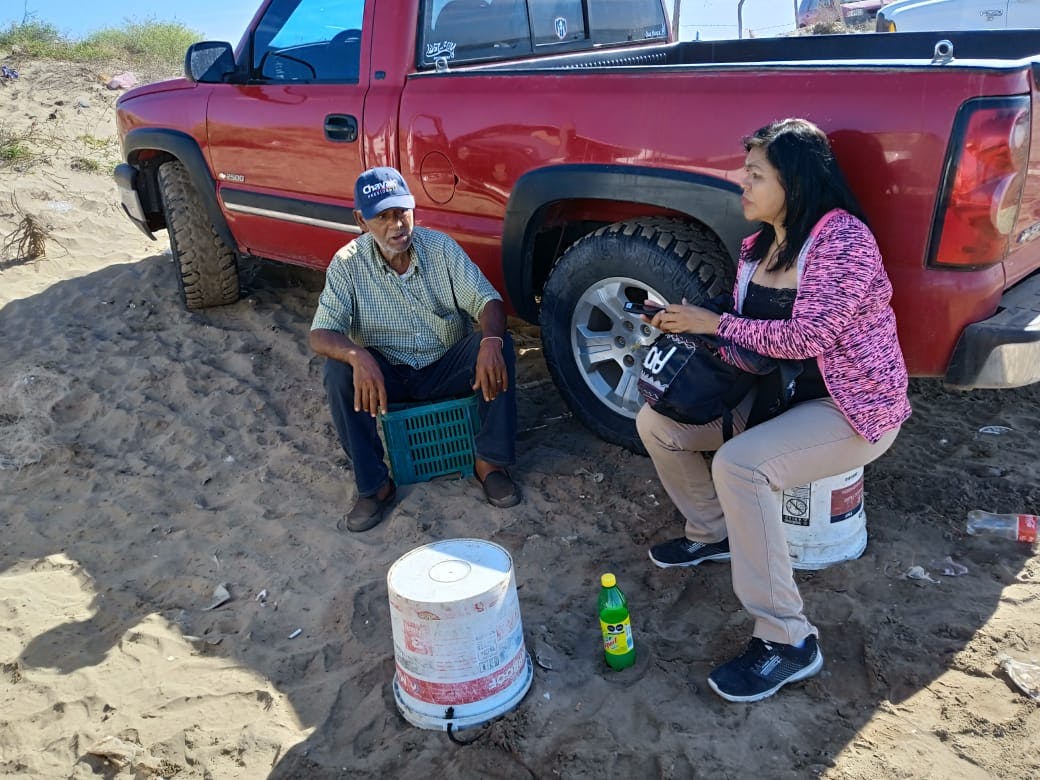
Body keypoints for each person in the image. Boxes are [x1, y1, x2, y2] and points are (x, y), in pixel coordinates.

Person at [636, 118, 911, 702]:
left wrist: (715, 323)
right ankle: (712, 532)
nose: (745, 185)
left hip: (848, 407)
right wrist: (684, 316)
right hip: (771, 400)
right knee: (656, 424)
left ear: (795, 180)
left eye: (756, 175)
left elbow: (812, 337)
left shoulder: (842, 240)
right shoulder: (758, 244)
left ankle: (788, 639)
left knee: (740, 465)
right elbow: (741, 319)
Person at [310, 166, 521, 532]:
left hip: (443, 366)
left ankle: (489, 463)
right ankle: (375, 486)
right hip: (387, 377)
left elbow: (488, 302)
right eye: (384, 217)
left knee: (499, 346)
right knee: (337, 371)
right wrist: (357, 356)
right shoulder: (347, 264)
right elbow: (321, 333)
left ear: (413, 209)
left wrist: (489, 340)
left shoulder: (441, 248)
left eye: (402, 213)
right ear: (361, 220)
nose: (397, 226)